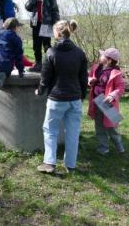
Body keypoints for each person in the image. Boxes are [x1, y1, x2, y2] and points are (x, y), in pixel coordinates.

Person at [35, 20, 87, 174]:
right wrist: (81, 95)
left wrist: (40, 90)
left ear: (56, 33)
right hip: (74, 99)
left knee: (50, 130)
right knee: (73, 132)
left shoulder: (51, 52)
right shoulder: (80, 53)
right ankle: (70, 165)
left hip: (56, 99)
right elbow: (83, 78)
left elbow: (45, 78)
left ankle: (49, 163)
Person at [88, 48, 125, 155]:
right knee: (99, 126)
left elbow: (120, 87)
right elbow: (90, 76)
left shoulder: (115, 72)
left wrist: (112, 95)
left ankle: (119, 145)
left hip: (108, 103)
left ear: (109, 60)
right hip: (97, 100)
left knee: (111, 127)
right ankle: (103, 148)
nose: (100, 57)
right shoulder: (96, 67)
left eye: (103, 56)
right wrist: (91, 80)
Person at [25, 0, 60, 72]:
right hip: (36, 24)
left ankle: (50, 65)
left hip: (46, 24)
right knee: (36, 45)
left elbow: (55, 9)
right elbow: (27, 7)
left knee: (46, 45)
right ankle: (38, 64)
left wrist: (57, 24)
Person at [0, 17, 25, 91]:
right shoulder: (16, 38)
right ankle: (4, 75)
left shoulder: (0, 36)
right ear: (16, 27)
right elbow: (19, 56)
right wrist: (20, 70)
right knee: (6, 71)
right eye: (18, 27)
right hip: (6, 63)